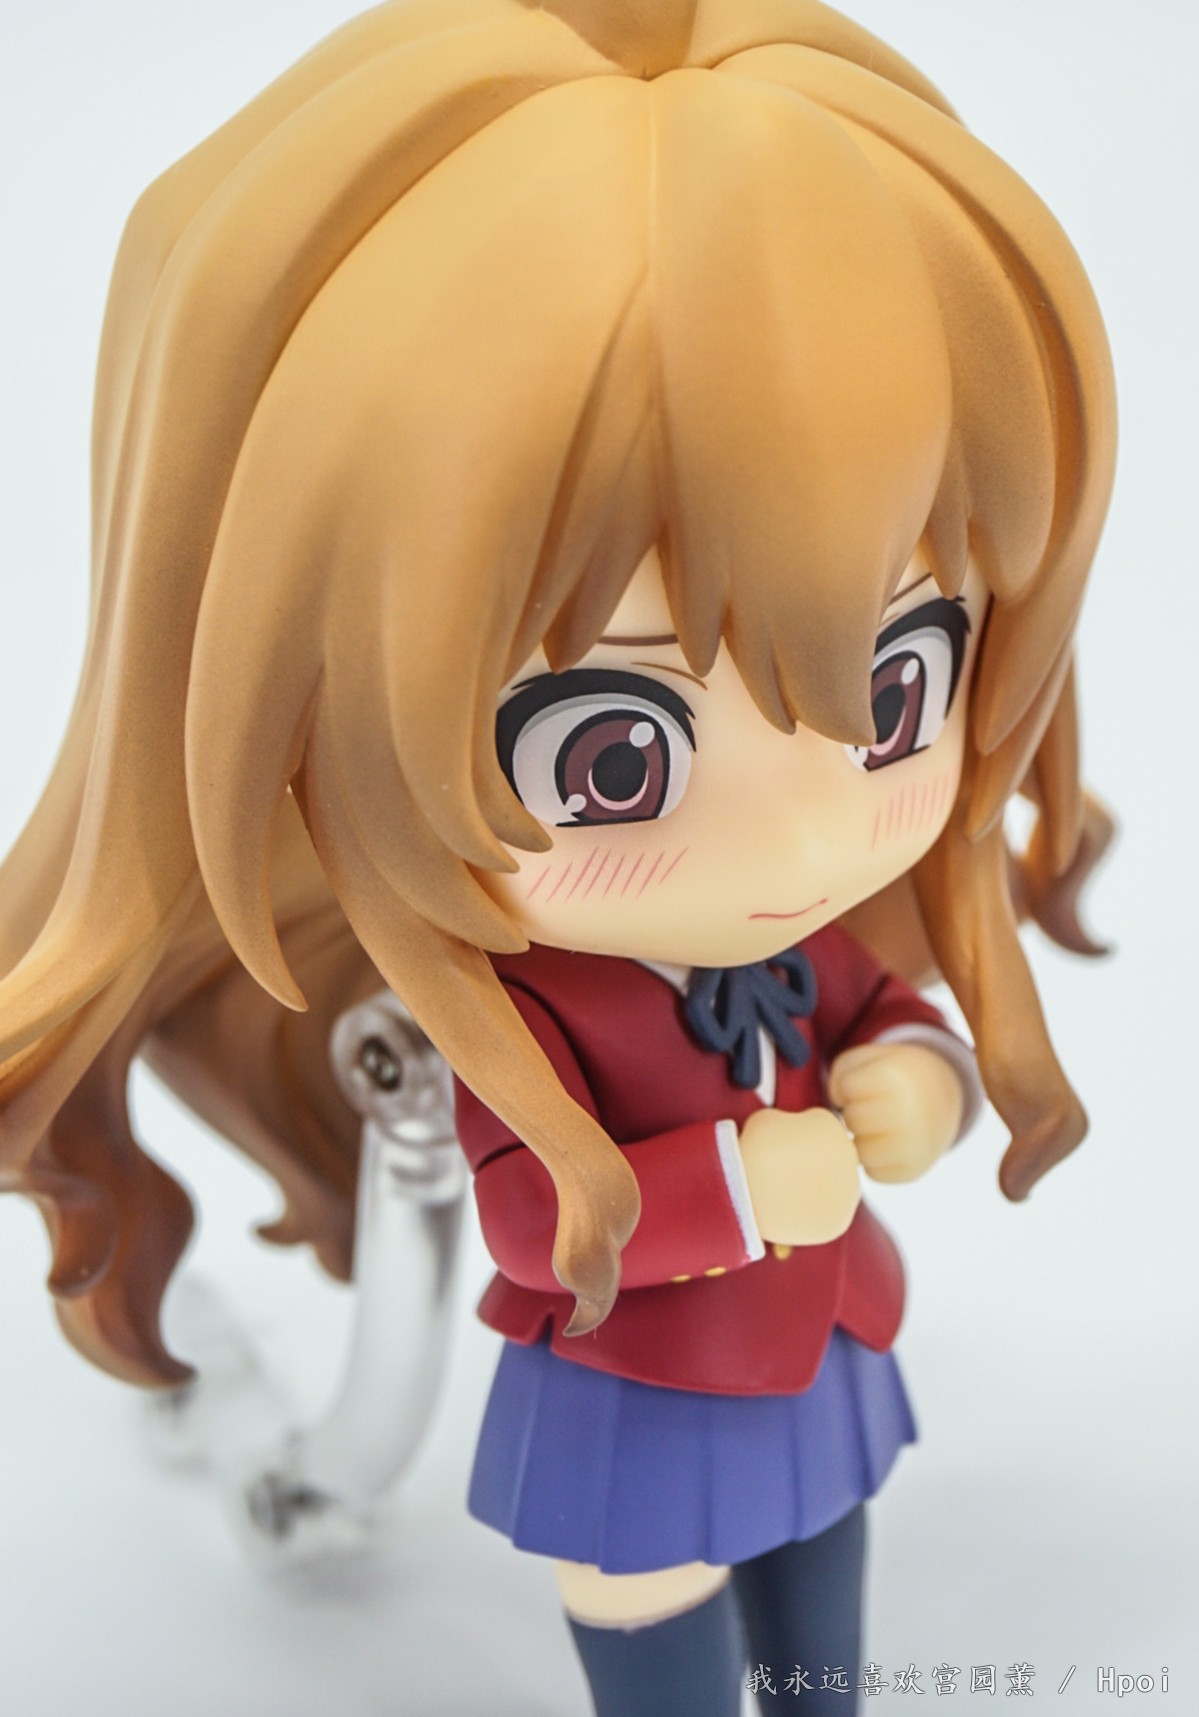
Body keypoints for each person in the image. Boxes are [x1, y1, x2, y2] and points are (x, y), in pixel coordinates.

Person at [0, 2, 1115, 1710]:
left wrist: (923, 1075)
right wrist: (741, 1186)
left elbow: (882, 1006)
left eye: (898, 688)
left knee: (824, 1631)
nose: (807, 831)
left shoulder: (806, 932)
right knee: (667, 1632)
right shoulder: (532, 1015)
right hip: (641, 1395)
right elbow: (534, 1217)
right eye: (615, 752)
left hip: (829, 1343)